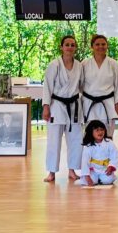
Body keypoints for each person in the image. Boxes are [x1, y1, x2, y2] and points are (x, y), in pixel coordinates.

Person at [42, 35, 83, 183]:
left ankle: (72, 170)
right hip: (57, 106)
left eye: (72, 45)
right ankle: (51, 172)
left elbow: (82, 86)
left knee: (76, 140)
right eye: (67, 45)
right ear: (61, 47)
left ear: (75, 47)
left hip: (74, 106)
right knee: (54, 140)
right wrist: (46, 107)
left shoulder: (79, 65)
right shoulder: (54, 65)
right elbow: (47, 87)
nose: (70, 47)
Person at [81, 35, 118, 137]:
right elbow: (79, 85)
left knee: (107, 136)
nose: (100, 46)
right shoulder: (85, 63)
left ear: (107, 46)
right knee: (89, 137)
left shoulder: (113, 64)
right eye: (97, 44)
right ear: (92, 46)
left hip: (108, 104)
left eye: (103, 44)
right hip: (89, 104)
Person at [79, 120, 118, 186]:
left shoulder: (109, 142)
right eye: (97, 130)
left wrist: (111, 167)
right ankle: (95, 178)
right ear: (91, 132)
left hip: (105, 169)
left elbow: (115, 156)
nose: (100, 132)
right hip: (93, 170)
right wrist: (87, 176)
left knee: (108, 180)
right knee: (89, 181)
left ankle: (101, 178)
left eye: (102, 130)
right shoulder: (88, 146)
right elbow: (85, 161)